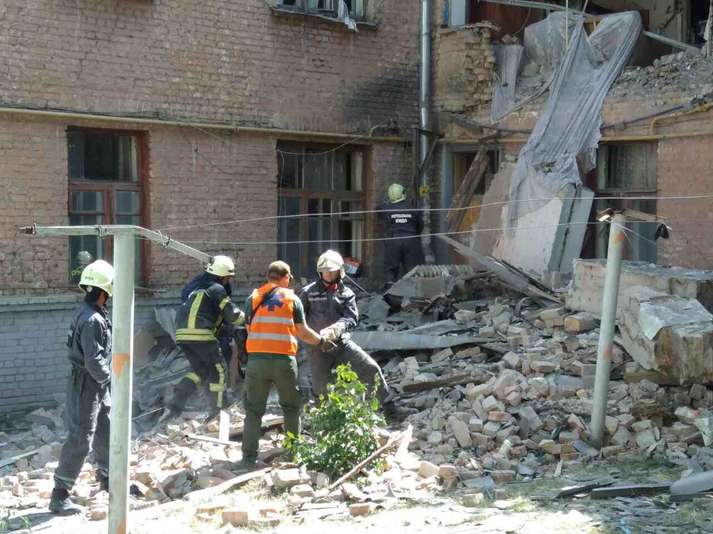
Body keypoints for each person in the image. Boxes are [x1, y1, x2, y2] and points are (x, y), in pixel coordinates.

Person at [239, 261, 333, 469]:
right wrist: (322, 342)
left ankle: (248, 459)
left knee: (253, 411)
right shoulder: (292, 299)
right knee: (291, 408)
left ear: (268, 277)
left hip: (257, 362)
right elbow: (303, 332)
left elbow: (248, 328)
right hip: (284, 362)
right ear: (286, 278)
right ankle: (292, 455)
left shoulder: (252, 298)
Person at [299, 250, 405, 419]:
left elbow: (351, 318)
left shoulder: (346, 293)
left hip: (341, 343)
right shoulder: (307, 292)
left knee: (371, 369)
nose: (328, 274)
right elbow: (298, 321)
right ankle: (323, 421)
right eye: (324, 270)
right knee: (321, 387)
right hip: (317, 347)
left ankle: (390, 411)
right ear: (320, 272)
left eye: (331, 270)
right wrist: (310, 340)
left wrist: (336, 328)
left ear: (340, 271)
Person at [50, 260, 114, 515]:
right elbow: (94, 360)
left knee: (106, 428)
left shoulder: (91, 313)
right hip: (86, 383)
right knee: (81, 436)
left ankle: (108, 479)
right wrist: (110, 379)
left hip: (94, 382)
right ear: (104, 290)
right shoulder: (93, 319)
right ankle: (60, 495)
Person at [159, 255, 240, 424]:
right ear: (222, 276)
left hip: (182, 335)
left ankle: (176, 403)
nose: (229, 281)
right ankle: (219, 409)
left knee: (200, 371)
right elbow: (232, 314)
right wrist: (250, 318)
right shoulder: (217, 289)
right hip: (200, 334)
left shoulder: (197, 290)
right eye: (228, 277)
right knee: (219, 369)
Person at [379, 183, 424, 286]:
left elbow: (381, 217)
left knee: (391, 268)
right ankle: (412, 289)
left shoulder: (386, 209)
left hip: (393, 240)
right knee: (412, 269)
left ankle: (390, 290)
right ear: (403, 193)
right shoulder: (413, 209)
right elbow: (420, 226)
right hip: (411, 240)